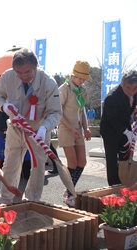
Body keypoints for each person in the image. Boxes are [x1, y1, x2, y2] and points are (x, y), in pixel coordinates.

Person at [0, 48, 61, 203]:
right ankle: (5, 200)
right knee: (10, 165)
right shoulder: (8, 76)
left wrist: (44, 128)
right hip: (15, 128)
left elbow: (56, 112)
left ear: (36, 66)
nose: (23, 76)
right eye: (18, 72)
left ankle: (31, 201)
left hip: (38, 130)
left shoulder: (48, 82)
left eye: (28, 72)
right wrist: (4, 106)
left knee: (38, 167)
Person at [57, 60, 92, 207]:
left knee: (82, 161)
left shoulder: (82, 91)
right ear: (73, 75)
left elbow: (82, 111)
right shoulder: (64, 89)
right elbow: (58, 112)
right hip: (66, 129)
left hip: (78, 129)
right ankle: (71, 193)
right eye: (79, 77)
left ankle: (69, 189)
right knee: (72, 162)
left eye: (84, 78)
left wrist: (86, 128)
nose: (82, 80)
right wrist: (71, 129)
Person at [100, 70, 137, 186]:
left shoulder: (135, 93)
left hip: (125, 127)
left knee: (124, 158)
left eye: (135, 88)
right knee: (112, 160)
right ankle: (114, 186)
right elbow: (112, 119)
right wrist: (126, 132)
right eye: (128, 88)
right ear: (122, 84)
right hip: (110, 130)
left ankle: (125, 182)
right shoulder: (112, 97)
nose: (131, 91)